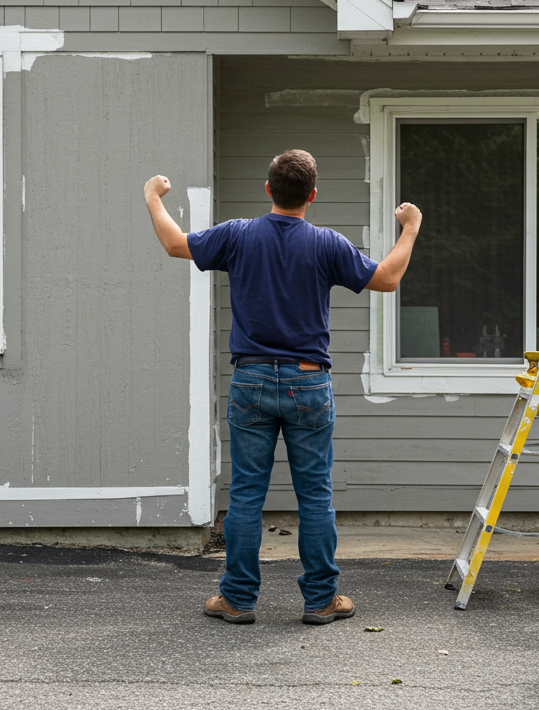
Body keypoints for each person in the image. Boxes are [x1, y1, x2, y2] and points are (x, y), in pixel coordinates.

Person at [143, 150, 422, 625]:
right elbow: (388, 278)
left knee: (247, 493)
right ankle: (320, 600)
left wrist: (153, 197)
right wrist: (411, 227)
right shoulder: (326, 243)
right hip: (308, 382)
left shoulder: (236, 235)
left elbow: (174, 245)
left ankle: (236, 599)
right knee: (315, 495)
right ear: (312, 195)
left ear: (268, 189)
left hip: (250, 378)